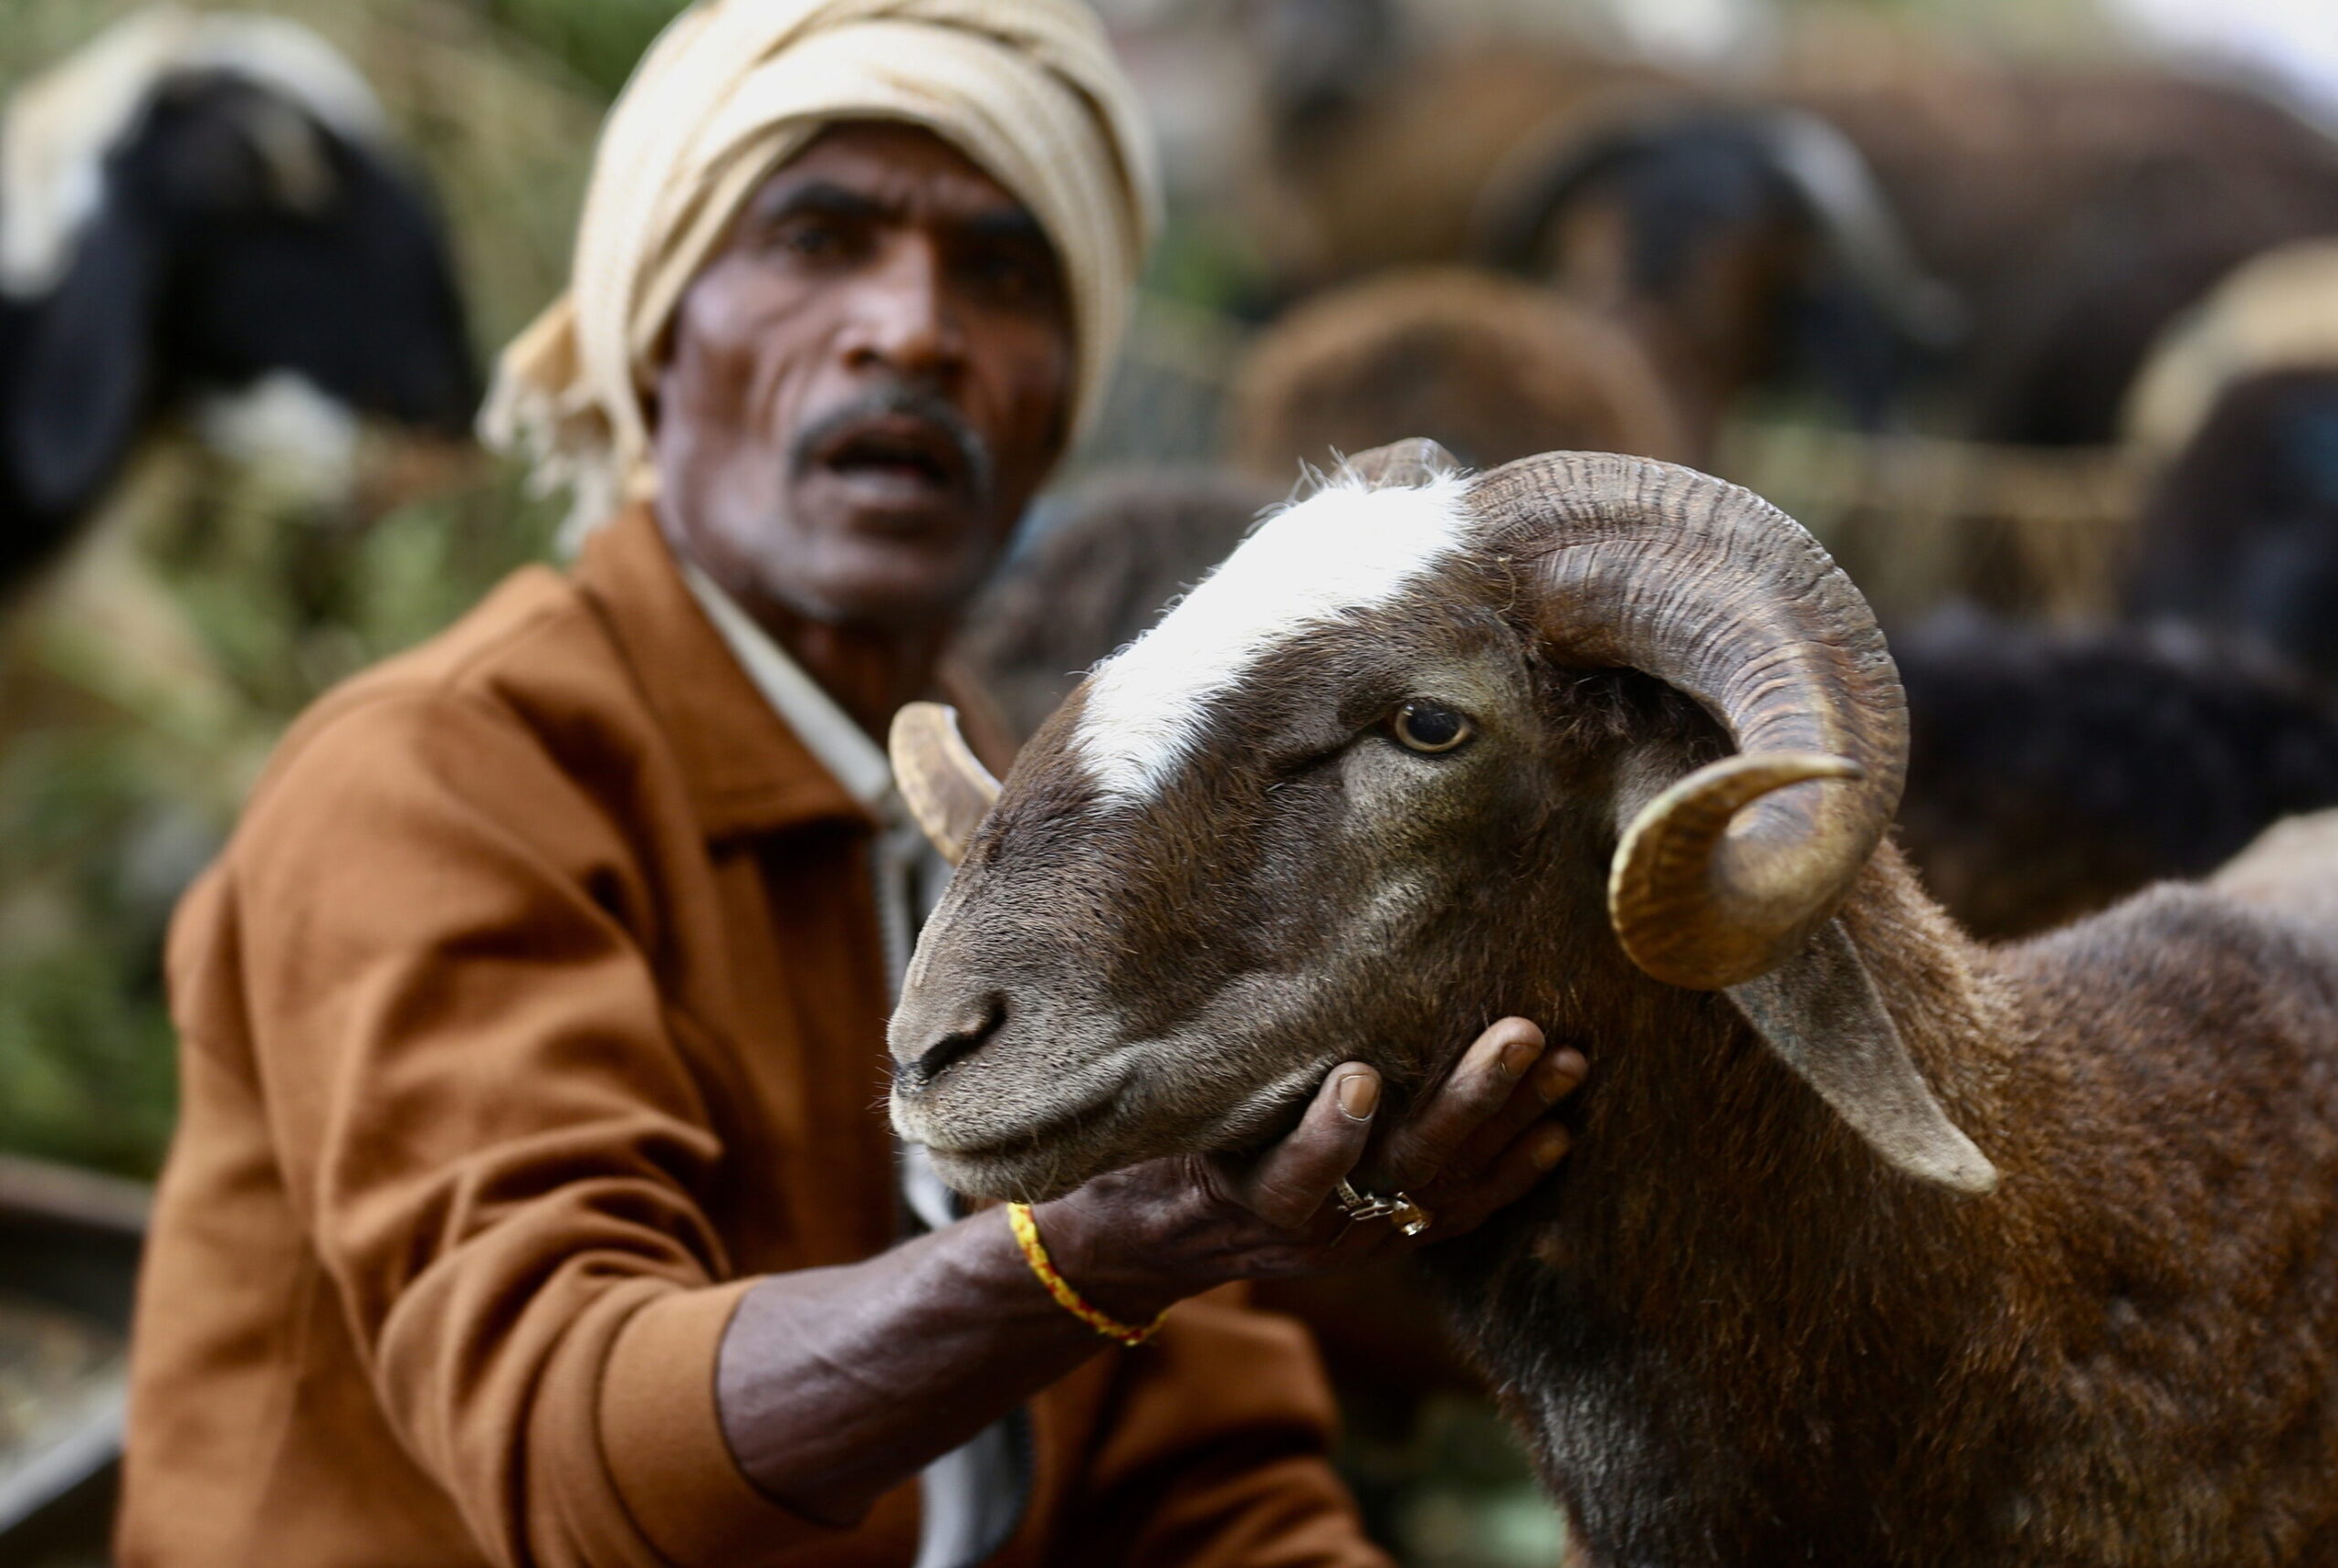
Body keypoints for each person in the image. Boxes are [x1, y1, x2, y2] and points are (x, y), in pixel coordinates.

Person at [114, 4, 1586, 1565]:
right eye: (818, 238)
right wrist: (1104, 1249)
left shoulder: (1057, 830)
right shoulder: (436, 781)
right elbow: (573, 1449)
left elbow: (1208, 1484)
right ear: (659, 328)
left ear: (1062, 396)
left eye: (1003, 271)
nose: (911, 328)